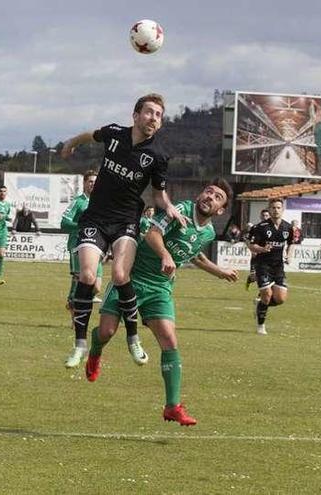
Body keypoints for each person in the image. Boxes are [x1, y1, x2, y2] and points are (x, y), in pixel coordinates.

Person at [85, 179, 237, 426]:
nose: (210, 196)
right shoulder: (179, 211)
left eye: (217, 197)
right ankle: (95, 350)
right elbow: (153, 234)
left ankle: (172, 406)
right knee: (106, 331)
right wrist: (165, 254)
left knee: (169, 339)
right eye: (209, 191)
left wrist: (219, 271)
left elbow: (194, 253)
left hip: (160, 287)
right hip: (132, 276)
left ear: (220, 210)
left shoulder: (208, 232)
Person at [60, 93, 184, 369]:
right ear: (136, 115)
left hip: (126, 221)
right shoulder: (115, 133)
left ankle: (133, 337)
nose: (153, 118)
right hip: (95, 219)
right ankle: (79, 344)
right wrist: (70, 143)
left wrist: (170, 207)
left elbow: (159, 195)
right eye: (149, 112)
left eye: (158, 115)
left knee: (119, 275)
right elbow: (90, 134)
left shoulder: (157, 156)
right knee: (88, 276)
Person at [248, 198, 295, 335]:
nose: (276, 210)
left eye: (278, 207)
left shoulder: (288, 227)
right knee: (267, 296)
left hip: (278, 267)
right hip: (263, 265)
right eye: (273, 208)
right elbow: (251, 245)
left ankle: (260, 304)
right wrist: (262, 249)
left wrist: (289, 254)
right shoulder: (260, 227)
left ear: (283, 210)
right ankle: (261, 326)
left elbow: (292, 242)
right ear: (269, 209)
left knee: (280, 299)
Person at [61, 170, 104, 311]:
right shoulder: (78, 202)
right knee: (79, 279)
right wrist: (81, 226)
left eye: (95, 181)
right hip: (77, 245)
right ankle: (74, 307)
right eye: (90, 181)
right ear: (85, 183)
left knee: (96, 286)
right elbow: (64, 223)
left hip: (95, 247)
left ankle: (77, 301)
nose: (93, 184)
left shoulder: (100, 202)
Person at [244, 209, 270, 290]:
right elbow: (248, 240)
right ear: (260, 216)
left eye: (266, 215)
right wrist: (252, 250)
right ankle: (250, 279)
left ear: (269, 216)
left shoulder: (273, 228)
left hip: (268, 256)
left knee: (266, 275)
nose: (265, 217)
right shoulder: (255, 227)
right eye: (263, 215)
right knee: (254, 276)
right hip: (257, 256)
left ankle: (262, 294)